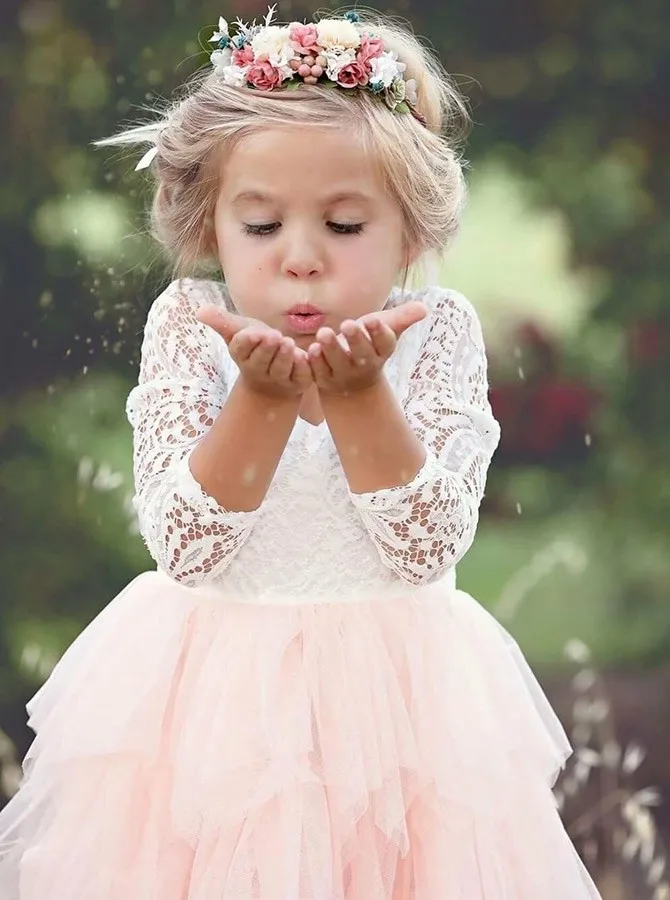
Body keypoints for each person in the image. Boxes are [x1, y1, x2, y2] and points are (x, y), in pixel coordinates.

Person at [0, 8, 603, 898]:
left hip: (401, 715)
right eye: (262, 227)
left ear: (413, 233)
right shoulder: (191, 326)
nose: (301, 261)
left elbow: (427, 549)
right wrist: (262, 400)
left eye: (346, 227)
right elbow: (187, 548)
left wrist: (361, 398)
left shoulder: (435, 334)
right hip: (215, 713)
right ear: (211, 227)